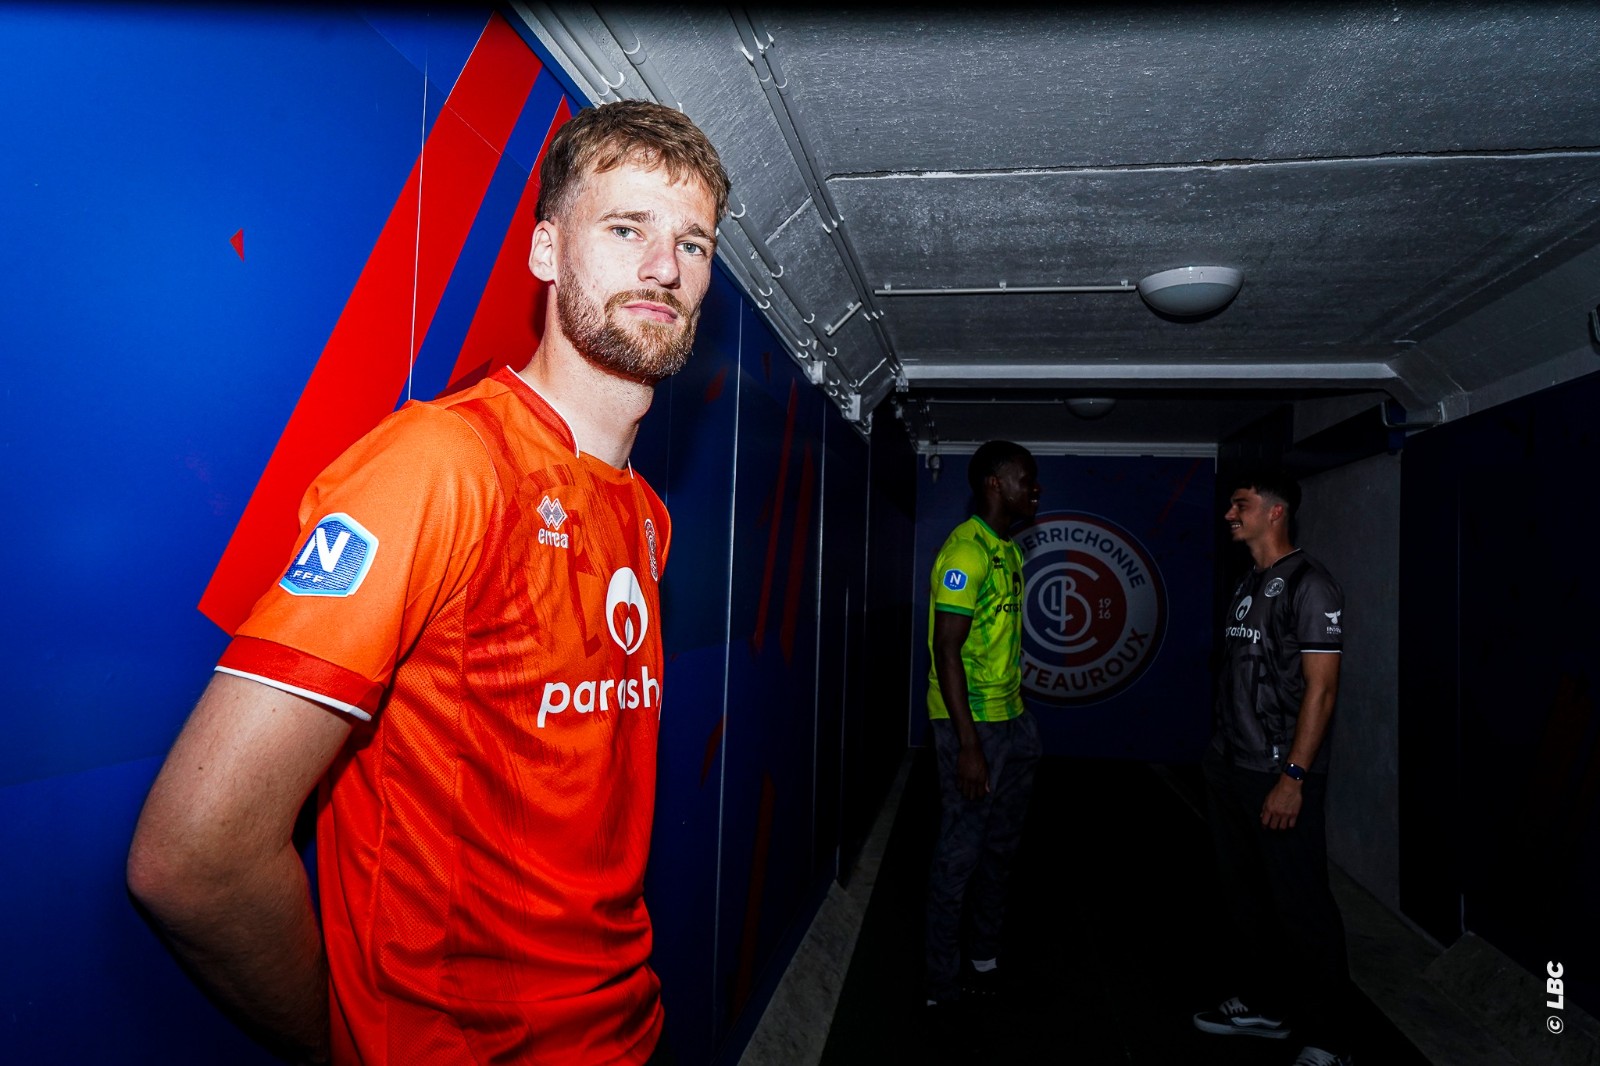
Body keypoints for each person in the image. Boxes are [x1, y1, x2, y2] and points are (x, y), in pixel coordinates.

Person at [127, 99, 729, 1066]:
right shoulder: (441, 464)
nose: (664, 266)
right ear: (545, 251)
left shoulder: (647, 516)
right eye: (627, 229)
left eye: (692, 244)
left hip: (625, 1035)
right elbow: (194, 856)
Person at [1192, 470, 1354, 1066]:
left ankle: (1330, 1039)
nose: (1230, 514)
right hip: (1230, 768)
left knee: (1301, 905)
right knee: (1246, 899)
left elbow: (1322, 691)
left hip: (1279, 775)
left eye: (1241, 504)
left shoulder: (1312, 585)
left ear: (1275, 511)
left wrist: (1294, 777)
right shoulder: (1248, 582)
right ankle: (1267, 1006)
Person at [923, 441, 1044, 1013]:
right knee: (959, 857)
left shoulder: (1008, 550)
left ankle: (984, 958)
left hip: (1013, 723)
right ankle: (940, 986)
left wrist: (1018, 716)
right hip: (971, 728)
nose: (1034, 488)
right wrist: (969, 745)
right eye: (1025, 478)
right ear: (995, 484)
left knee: (1001, 849)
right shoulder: (965, 552)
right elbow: (946, 651)